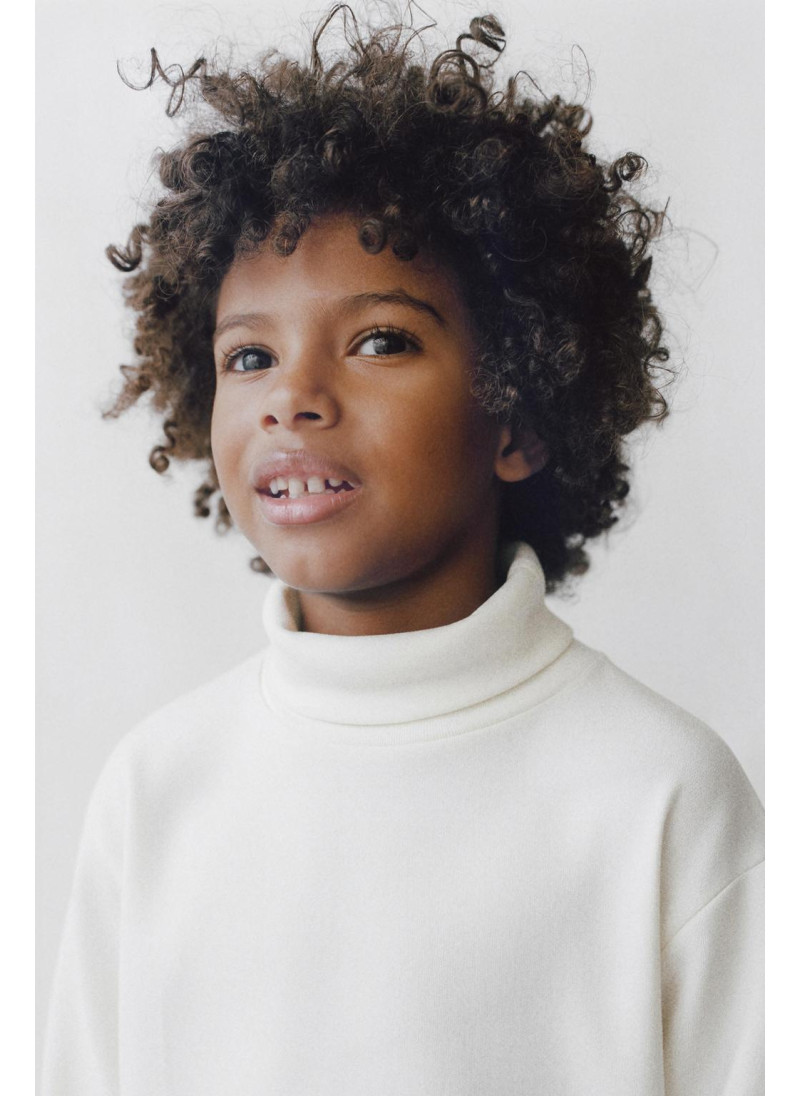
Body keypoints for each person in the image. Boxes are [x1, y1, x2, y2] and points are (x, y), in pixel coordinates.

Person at [42, 8, 764, 1094]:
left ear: (519, 416)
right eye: (249, 356)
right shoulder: (154, 792)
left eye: (380, 339)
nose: (292, 397)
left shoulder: (663, 797)